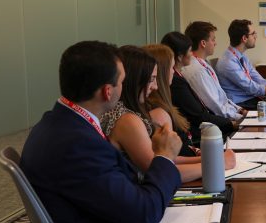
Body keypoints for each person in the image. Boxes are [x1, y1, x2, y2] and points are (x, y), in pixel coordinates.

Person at [20, 41, 182, 223]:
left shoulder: (56, 123)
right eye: (122, 82)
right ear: (107, 91)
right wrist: (164, 156)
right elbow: (144, 213)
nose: (124, 87)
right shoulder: (76, 144)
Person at [101, 46, 236, 183]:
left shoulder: (129, 112)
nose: (155, 86)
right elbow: (160, 170)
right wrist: (217, 165)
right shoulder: (127, 120)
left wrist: (212, 158)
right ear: (136, 80)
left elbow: (164, 158)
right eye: (151, 79)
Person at [162, 31, 237, 142]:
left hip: (206, 126)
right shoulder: (176, 82)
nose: (192, 54)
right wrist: (230, 123)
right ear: (179, 56)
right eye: (189, 51)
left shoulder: (179, 76)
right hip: (199, 135)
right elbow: (199, 116)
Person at [180, 21, 246, 123]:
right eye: (213, 39)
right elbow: (215, 107)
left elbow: (222, 97)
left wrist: (240, 110)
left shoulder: (204, 64)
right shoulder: (197, 71)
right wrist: (240, 117)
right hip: (219, 122)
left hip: (228, 115)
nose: (215, 43)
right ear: (203, 43)